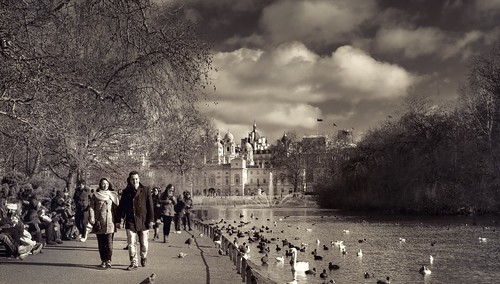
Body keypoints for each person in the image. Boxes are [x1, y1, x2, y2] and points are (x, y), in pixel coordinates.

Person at [114, 171, 154, 271]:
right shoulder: (126, 192)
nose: (135, 181)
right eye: (133, 179)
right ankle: (133, 262)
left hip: (143, 221)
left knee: (144, 243)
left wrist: (151, 220)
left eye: (136, 179)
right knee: (131, 242)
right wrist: (118, 220)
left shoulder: (145, 190)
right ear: (130, 180)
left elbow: (150, 206)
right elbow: (121, 207)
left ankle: (143, 256)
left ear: (139, 179)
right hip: (131, 221)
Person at [89, 178, 119, 269]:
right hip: (99, 223)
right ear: (100, 184)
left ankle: (109, 260)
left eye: (106, 183)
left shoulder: (113, 195)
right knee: (101, 243)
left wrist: (118, 221)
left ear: (109, 184)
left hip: (110, 222)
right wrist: (92, 218)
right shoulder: (95, 195)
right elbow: (92, 207)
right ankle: (103, 260)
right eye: (102, 183)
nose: (104, 185)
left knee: (109, 242)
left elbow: (116, 209)